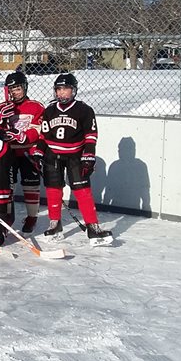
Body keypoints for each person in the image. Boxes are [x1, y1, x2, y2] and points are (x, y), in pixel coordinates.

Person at [32, 73, 112, 244]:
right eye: (58, 89)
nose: (62, 93)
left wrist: (89, 155)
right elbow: (44, 136)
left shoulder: (84, 110)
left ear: (74, 90)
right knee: (53, 189)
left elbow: (91, 136)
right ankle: (55, 223)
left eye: (65, 89)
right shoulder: (50, 110)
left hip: (76, 154)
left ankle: (92, 226)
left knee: (82, 191)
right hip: (53, 155)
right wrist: (39, 152)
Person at [0, 71, 44, 232]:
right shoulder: (1, 107)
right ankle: (7, 217)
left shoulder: (36, 106)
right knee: (8, 186)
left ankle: (32, 217)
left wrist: (23, 136)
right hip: (10, 153)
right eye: (12, 89)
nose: (15, 92)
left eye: (18, 88)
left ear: (25, 88)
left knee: (31, 185)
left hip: (29, 152)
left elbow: (38, 131)